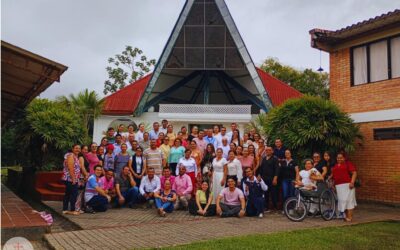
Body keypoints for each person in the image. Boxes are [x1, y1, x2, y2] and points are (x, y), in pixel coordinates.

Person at [331, 153, 357, 222]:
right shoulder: (335, 166)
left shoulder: (348, 164)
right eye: (338, 158)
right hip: (339, 186)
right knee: (342, 201)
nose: (339, 159)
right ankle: (346, 216)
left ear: (344, 158)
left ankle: (350, 217)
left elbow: (354, 173)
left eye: (341, 157)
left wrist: (352, 182)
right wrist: (333, 185)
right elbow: (334, 177)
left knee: (349, 201)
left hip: (348, 185)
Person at [256, 146, 280, 212]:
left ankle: (275, 208)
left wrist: (275, 178)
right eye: (266, 150)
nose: (267, 151)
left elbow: (277, 169)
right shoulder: (264, 158)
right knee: (265, 193)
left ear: (272, 151)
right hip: (264, 179)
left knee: (273, 193)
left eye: (269, 150)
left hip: (272, 179)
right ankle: (266, 207)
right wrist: (259, 175)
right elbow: (261, 168)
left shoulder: (275, 159)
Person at [62, 144, 82, 215]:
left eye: (79, 148)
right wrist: (73, 179)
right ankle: (72, 210)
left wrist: (77, 180)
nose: (78, 150)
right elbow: (71, 168)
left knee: (68, 194)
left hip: (72, 179)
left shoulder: (75, 156)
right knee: (73, 194)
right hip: (70, 179)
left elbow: (77, 169)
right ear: (72, 149)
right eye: (76, 148)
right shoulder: (70, 156)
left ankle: (65, 209)